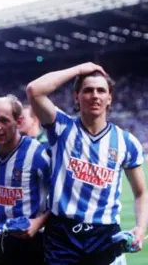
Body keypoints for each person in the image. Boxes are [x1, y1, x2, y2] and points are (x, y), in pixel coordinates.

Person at [27, 62, 147, 264]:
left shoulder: (126, 142)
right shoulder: (61, 128)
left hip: (105, 236)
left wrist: (140, 227)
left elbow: (141, 192)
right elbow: (34, 90)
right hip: (62, 236)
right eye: (88, 90)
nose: (95, 95)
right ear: (77, 96)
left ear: (109, 98)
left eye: (101, 90)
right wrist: (79, 69)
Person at [0, 95, 51, 265]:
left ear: (18, 121)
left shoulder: (36, 153)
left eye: (4, 120)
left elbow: (61, 195)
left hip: (32, 243)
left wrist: (38, 223)